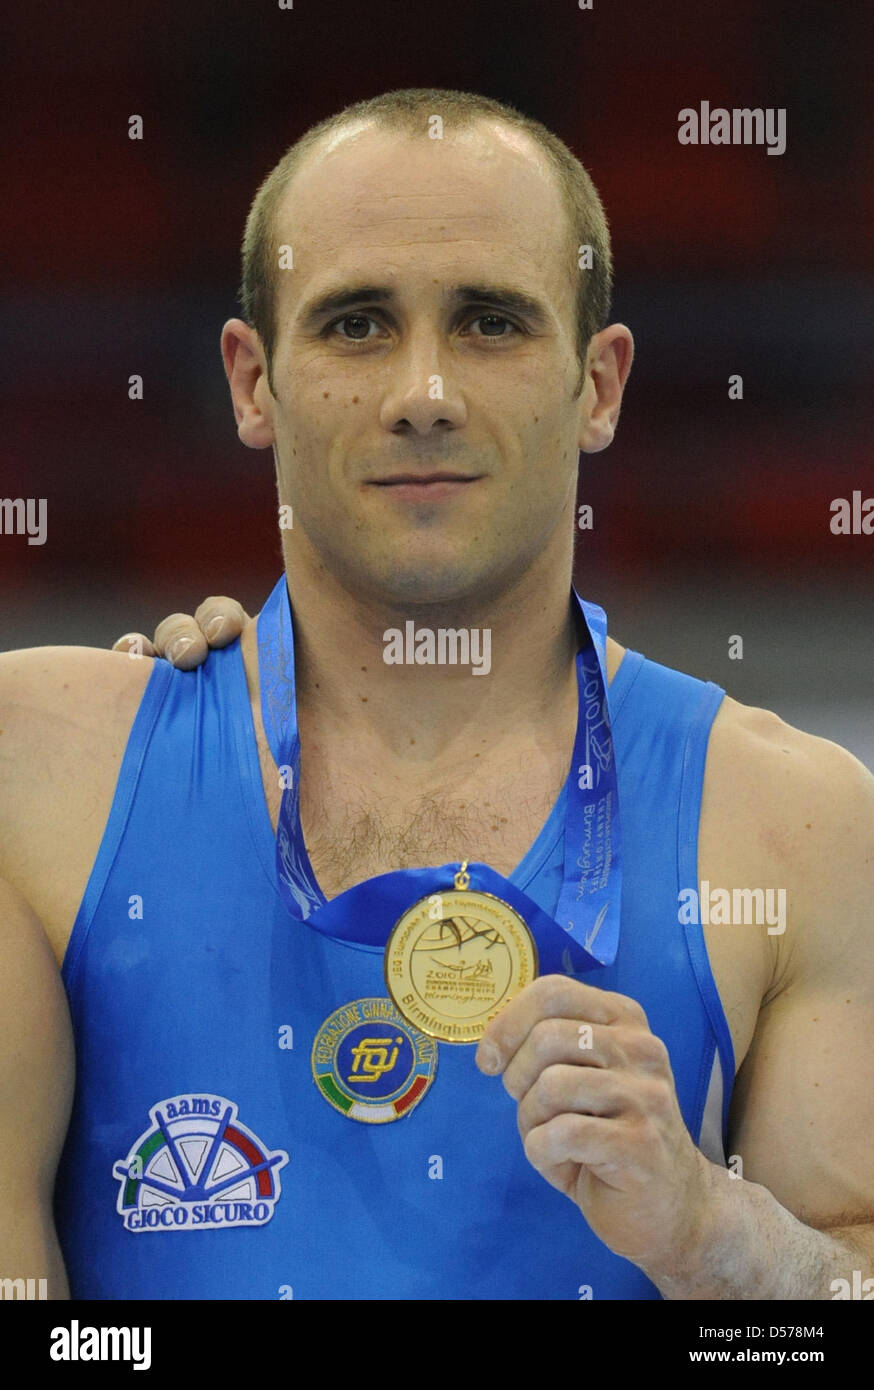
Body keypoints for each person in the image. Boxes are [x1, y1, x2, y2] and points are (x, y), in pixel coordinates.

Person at [1, 86, 872, 1301]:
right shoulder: (34, 769)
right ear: (252, 381)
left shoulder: (799, 824)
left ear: (600, 384)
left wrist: (714, 1236)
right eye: (357, 323)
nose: (424, 391)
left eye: (490, 323)